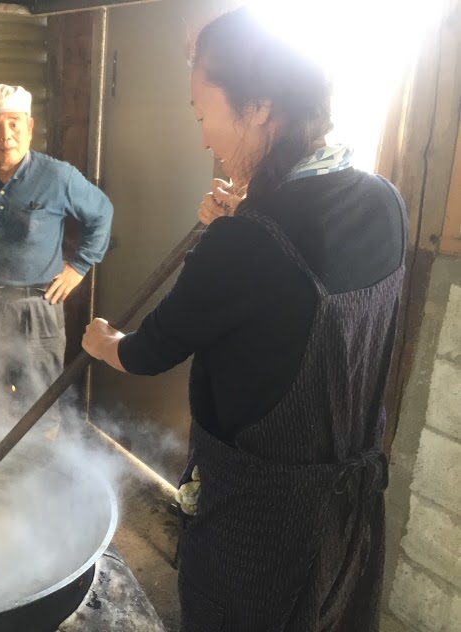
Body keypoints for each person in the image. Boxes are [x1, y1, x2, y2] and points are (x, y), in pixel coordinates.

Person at [82, 7, 406, 632]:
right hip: (351, 515)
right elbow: (290, 297)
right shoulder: (384, 200)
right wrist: (246, 217)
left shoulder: (248, 242)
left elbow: (150, 351)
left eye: (202, 113)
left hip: (259, 528)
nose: (203, 138)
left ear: (257, 108)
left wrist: (104, 342)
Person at [0, 84, 113, 421]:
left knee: (40, 406)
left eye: (14, 123)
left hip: (38, 308)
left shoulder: (57, 176)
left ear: (30, 127)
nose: (6, 135)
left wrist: (79, 267)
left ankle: (42, 451)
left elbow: (101, 212)